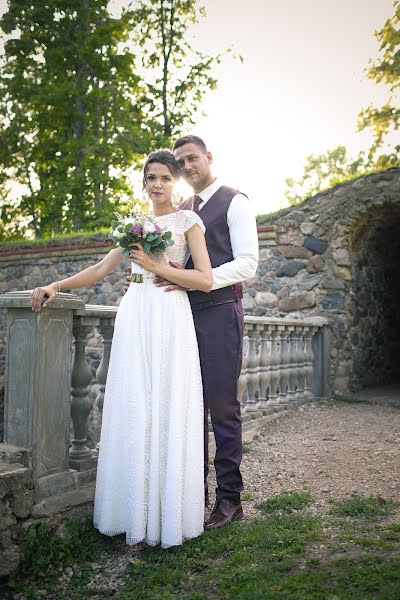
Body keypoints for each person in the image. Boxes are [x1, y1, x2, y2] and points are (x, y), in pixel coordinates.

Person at [30, 149, 212, 549]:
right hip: (135, 314)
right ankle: (132, 511)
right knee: (134, 404)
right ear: (144, 182)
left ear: (175, 181)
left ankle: (168, 515)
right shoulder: (133, 225)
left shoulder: (189, 222)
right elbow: (100, 270)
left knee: (166, 401)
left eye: (165, 177)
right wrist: (55, 286)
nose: (158, 184)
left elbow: (204, 278)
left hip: (169, 314)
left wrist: (158, 267)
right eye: (151, 178)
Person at [145, 135, 259, 530]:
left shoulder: (234, 201)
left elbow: (247, 264)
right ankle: (195, 496)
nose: (187, 166)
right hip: (182, 317)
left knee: (223, 409)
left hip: (220, 314)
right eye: (181, 162)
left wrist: (200, 281)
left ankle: (230, 499)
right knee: (188, 408)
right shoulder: (182, 211)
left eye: (192, 158)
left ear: (209, 157)